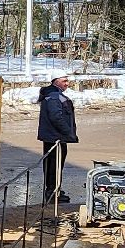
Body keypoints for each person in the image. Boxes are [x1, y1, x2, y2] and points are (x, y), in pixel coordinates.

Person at [37, 74, 78, 203]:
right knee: (54, 166)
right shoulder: (55, 97)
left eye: (67, 81)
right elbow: (56, 117)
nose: (67, 83)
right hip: (56, 138)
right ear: (56, 82)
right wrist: (68, 133)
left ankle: (54, 190)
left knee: (53, 166)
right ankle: (52, 194)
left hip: (54, 137)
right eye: (64, 81)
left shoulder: (53, 95)